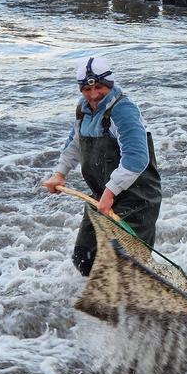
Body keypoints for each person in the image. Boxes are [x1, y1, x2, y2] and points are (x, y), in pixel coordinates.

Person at [43, 57, 161, 276]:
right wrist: (60, 174)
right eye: (87, 89)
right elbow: (74, 143)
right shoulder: (83, 109)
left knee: (125, 267)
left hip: (136, 198)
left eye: (99, 87)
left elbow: (136, 158)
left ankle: (135, 306)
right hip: (101, 196)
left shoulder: (124, 111)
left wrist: (109, 194)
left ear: (110, 84)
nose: (94, 94)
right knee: (84, 259)